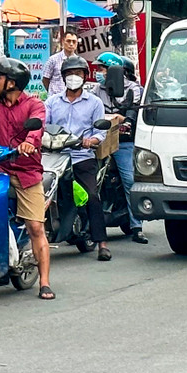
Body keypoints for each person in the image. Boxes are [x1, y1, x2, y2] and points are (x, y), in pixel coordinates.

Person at [0, 57, 53, 298]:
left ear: (11, 83)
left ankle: (45, 282)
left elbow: (36, 130)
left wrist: (29, 142)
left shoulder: (34, 105)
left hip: (27, 173)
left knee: (35, 227)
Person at [45, 55, 111, 261]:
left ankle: (102, 243)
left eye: (78, 73)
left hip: (82, 157)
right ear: (63, 77)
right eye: (70, 74)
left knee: (92, 196)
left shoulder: (95, 102)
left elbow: (101, 132)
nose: (74, 77)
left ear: (85, 76)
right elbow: (43, 126)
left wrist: (90, 140)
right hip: (55, 157)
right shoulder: (52, 102)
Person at [94, 52, 146, 243]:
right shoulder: (96, 90)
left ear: (114, 70)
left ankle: (137, 225)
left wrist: (125, 120)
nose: (99, 72)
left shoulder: (133, 89)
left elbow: (132, 113)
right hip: (99, 140)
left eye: (102, 69)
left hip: (123, 142)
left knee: (129, 180)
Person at [40, 29, 80, 97]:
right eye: (68, 41)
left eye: (74, 41)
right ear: (63, 42)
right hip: (55, 98)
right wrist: (52, 92)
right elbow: (45, 79)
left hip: (72, 98)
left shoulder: (79, 61)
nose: (71, 44)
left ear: (77, 44)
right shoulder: (53, 59)